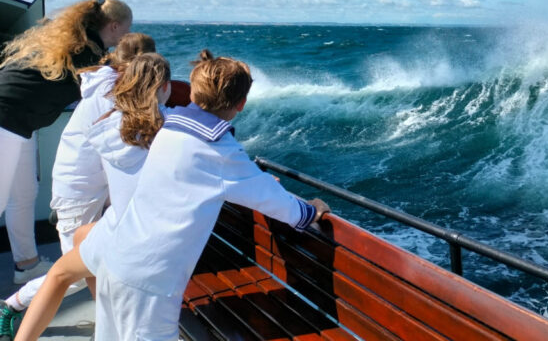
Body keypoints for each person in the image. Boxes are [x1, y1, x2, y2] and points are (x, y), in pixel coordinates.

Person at [14, 49, 329, 341]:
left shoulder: (168, 128)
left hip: (115, 255)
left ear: (192, 92)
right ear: (241, 104)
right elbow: (282, 207)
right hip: (149, 282)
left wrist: (249, 178)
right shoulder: (220, 152)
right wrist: (311, 209)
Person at [0, 33, 156, 336]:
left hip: (91, 190)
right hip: (78, 195)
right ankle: (11, 305)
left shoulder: (109, 86)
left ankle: (112, 325)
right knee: (75, 270)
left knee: (97, 262)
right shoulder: (107, 95)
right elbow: (123, 148)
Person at [0, 0, 132, 284]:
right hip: (5, 118)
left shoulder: (70, 43)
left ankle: (26, 265)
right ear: (114, 26)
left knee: (23, 195)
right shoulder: (88, 55)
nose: (125, 38)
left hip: (20, 122)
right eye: (125, 31)